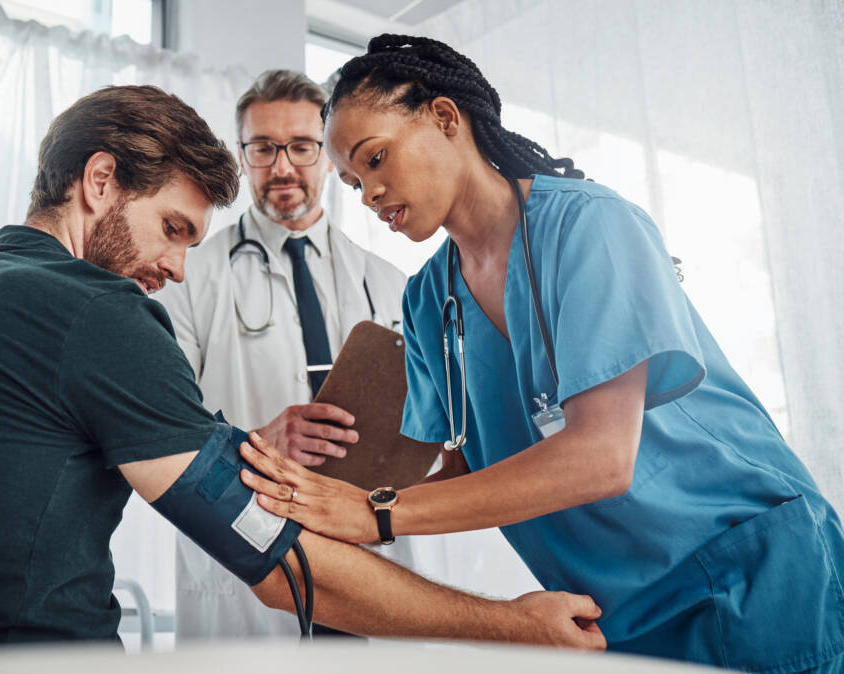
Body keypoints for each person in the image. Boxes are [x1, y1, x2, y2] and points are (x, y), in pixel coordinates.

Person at [0, 84, 607, 656]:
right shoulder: (92, 314)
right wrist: (507, 623)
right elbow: (280, 568)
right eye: (173, 230)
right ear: (99, 180)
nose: (180, 269)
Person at [239, 35, 844, 673]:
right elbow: (465, 466)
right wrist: (321, 507)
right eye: (355, 182)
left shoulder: (591, 227)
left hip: (749, 573)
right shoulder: (426, 301)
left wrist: (377, 513)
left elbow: (601, 458)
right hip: (613, 613)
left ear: (446, 118)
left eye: (377, 159)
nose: (368, 194)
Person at [156, 70, 412, 640]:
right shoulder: (187, 276)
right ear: (241, 156)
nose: (282, 167)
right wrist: (256, 443)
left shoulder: (389, 281)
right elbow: (161, 425)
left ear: (327, 156)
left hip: (364, 547)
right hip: (244, 553)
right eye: (262, 148)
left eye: (300, 146)